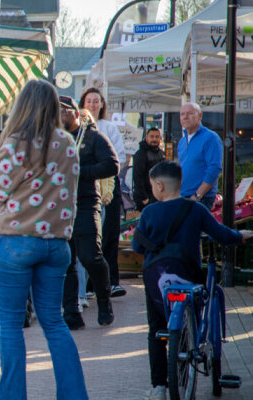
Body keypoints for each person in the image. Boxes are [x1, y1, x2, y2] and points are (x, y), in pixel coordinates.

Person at [0, 78, 88, 400]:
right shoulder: (67, 142)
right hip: (57, 244)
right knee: (54, 322)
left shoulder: (17, 143)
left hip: (17, 242)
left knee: (10, 327)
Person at [131, 161, 251, 400]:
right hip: (189, 275)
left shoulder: (149, 212)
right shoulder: (196, 210)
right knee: (192, 318)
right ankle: (190, 353)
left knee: (156, 330)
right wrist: (240, 235)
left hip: (156, 280)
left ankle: (158, 388)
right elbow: (222, 234)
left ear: (159, 186)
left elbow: (136, 245)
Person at [59, 95, 119, 330]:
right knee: (65, 260)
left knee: (89, 256)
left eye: (64, 111)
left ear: (75, 113)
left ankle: (104, 302)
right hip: (60, 207)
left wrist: (79, 171)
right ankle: (72, 312)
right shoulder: (54, 140)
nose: (60, 116)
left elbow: (112, 165)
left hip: (85, 203)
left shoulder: (92, 137)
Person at [80, 87, 127, 298]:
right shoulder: (77, 129)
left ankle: (111, 281)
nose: (92, 104)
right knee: (89, 237)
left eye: (95, 101)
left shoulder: (109, 128)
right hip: (86, 188)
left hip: (107, 187)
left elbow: (121, 157)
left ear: (101, 104)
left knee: (108, 234)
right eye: (88, 101)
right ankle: (89, 285)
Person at [178, 102, 223, 211]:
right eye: (182, 114)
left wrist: (198, 195)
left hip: (201, 198)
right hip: (184, 197)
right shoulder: (182, 141)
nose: (185, 117)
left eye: (190, 113)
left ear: (200, 116)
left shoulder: (210, 138)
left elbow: (214, 169)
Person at [132, 127, 165, 211]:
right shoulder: (140, 154)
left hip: (158, 196)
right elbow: (137, 177)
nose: (154, 139)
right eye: (152, 136)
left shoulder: (161, 153)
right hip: (146, 198)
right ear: (146, 138)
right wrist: (144, 198)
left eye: (157, 137)